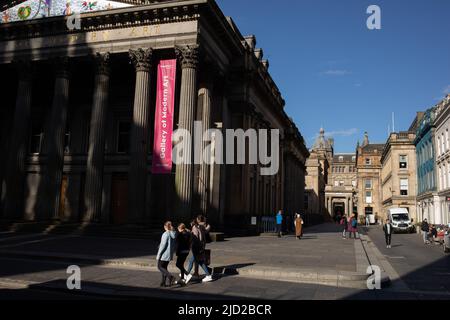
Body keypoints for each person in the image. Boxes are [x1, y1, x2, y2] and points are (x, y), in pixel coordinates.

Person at [184, 215, 213, 284]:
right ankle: (208, 275)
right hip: (201, 247)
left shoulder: (195, 227)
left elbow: (196, 238)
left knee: (192, 261)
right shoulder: (201, 227)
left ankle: (187, 274)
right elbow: (204, 233)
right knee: (200, 262)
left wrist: (189, 234)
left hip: (197, 248)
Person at [156, 221, 177, 287]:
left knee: (159, 267)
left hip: (164, 254)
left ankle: (171, 277)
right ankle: (163, 282)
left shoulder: (165, 234)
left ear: (165, 226)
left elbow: (163, 245)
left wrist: (158, 255)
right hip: (169, 254)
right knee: (164, 267)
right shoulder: (173, 233)